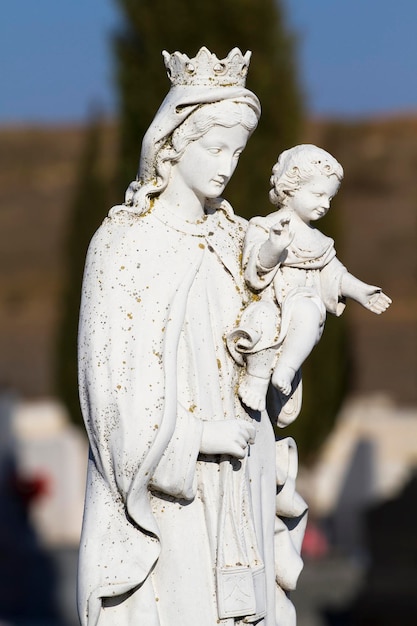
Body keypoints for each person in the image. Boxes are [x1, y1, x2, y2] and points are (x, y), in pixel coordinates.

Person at [77, 48, 307, 626]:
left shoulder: (236, 241)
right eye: (215, 147)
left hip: (241, 476)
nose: (228, 165)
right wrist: (200, 435)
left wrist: (281, 316)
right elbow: (109, 393)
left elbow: (261, 353)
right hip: (170, 489)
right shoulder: (126, 245)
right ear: (173, 143)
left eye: (237, 151)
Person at [232, 144, 392, 413]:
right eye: (318, 195)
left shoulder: (319, 241)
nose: (324, 204)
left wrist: (361, 291)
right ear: (291, 187)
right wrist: (274, 246)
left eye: (329, 198)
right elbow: (254, 267)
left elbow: (335, 273)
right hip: (270, 304)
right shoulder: (266, 226)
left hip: (301, 311)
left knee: (309, 309)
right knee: (263, 320)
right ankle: (256, 381)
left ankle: (286, 368)